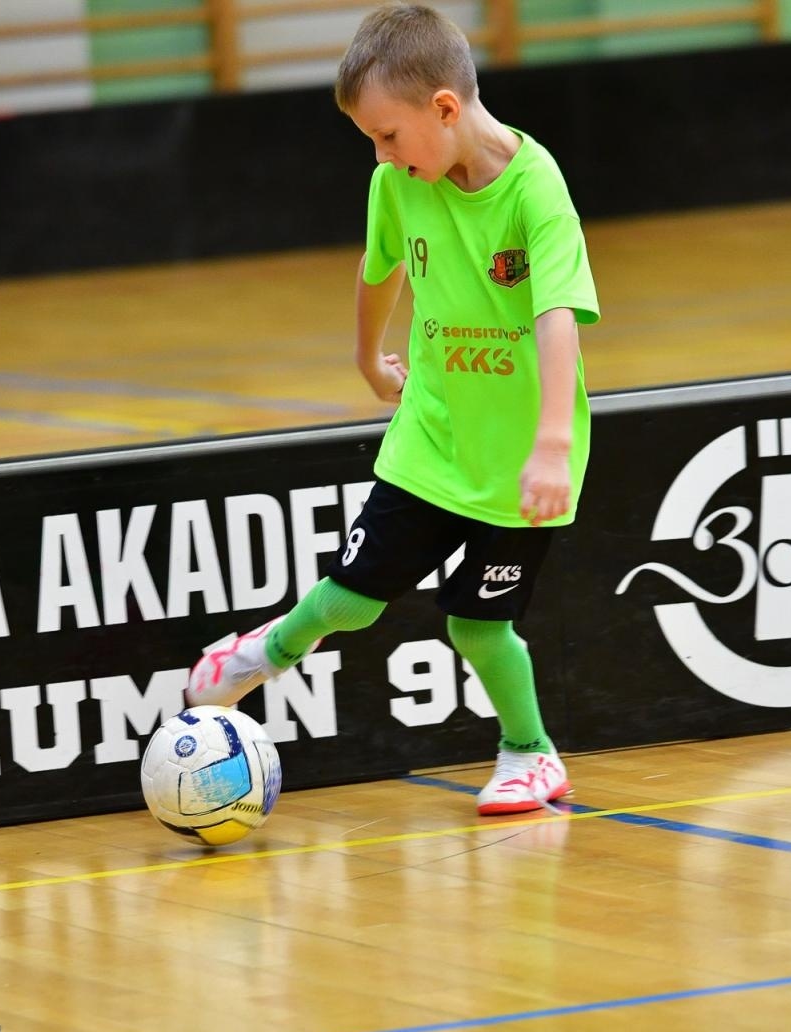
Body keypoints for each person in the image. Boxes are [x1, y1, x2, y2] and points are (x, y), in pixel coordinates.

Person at [184, 3, 599, 816]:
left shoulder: (536, 192)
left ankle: (530, 754)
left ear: (444, 109)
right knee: (350, 595)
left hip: (521, 462)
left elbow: (558, 317)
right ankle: (260, 654)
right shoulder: (398, 183)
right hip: (432, 435)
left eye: (388, 136)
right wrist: (367, 356)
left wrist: (551, 444)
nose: (380, 156)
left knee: (477, 628)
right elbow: (381, 270)